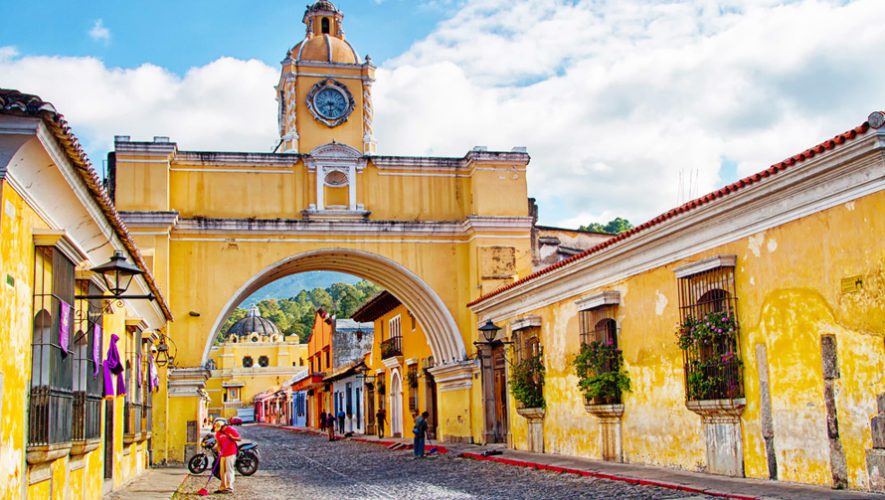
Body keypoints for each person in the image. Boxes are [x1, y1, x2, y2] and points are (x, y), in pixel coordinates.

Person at [213, 418, 241, 494]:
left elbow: (239, 438)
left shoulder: (231, 430)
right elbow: (219, 444)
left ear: (223, 426)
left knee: (229, 470)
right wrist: (219, 452)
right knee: (222, 471)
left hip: (231, 453)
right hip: (223, 454)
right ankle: (222, 487)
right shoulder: (218, 433)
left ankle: (229, 487)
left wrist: (232, 437)